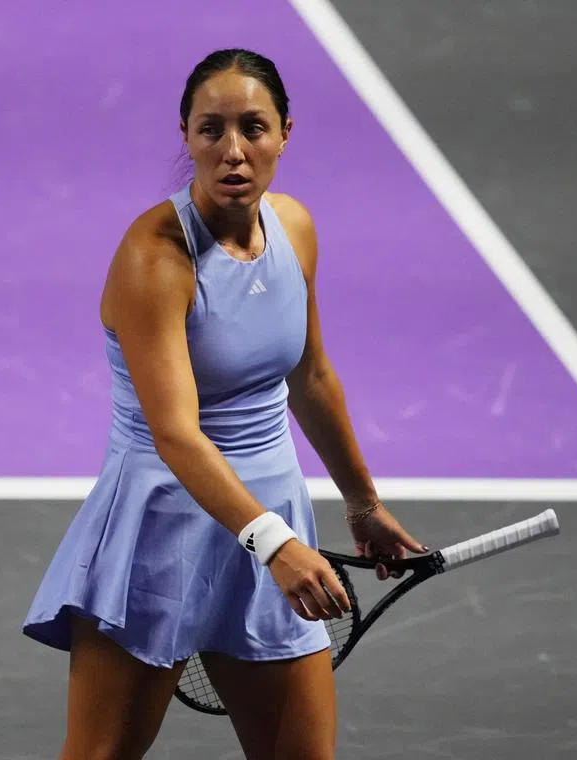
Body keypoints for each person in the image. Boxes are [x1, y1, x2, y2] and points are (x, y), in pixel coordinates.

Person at [22, 48, 426, 760]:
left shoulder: (295, 229)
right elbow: (176, 434)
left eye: (253, 128)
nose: (233, 151)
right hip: (162, 534)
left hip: (272, 524)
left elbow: (311, 376)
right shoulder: (154, 259)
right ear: (186, 135)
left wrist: (362, 503)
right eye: (211, 130)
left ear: (285, 134)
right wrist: (275, 543)